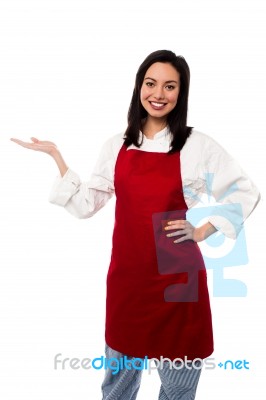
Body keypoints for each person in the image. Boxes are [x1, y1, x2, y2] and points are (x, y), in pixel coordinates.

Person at [11, 50, 260, 400]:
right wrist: (58, 158)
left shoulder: (197, 145)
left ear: (181, 93)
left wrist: (204, 230)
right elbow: (86, 206)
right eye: (151, 83)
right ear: (139, 87)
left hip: (178, 281)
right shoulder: (117, 146)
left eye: (170, 86)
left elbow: (244, 191)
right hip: (128, 280)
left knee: (178, 388)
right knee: (118, 386)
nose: (158, 94)